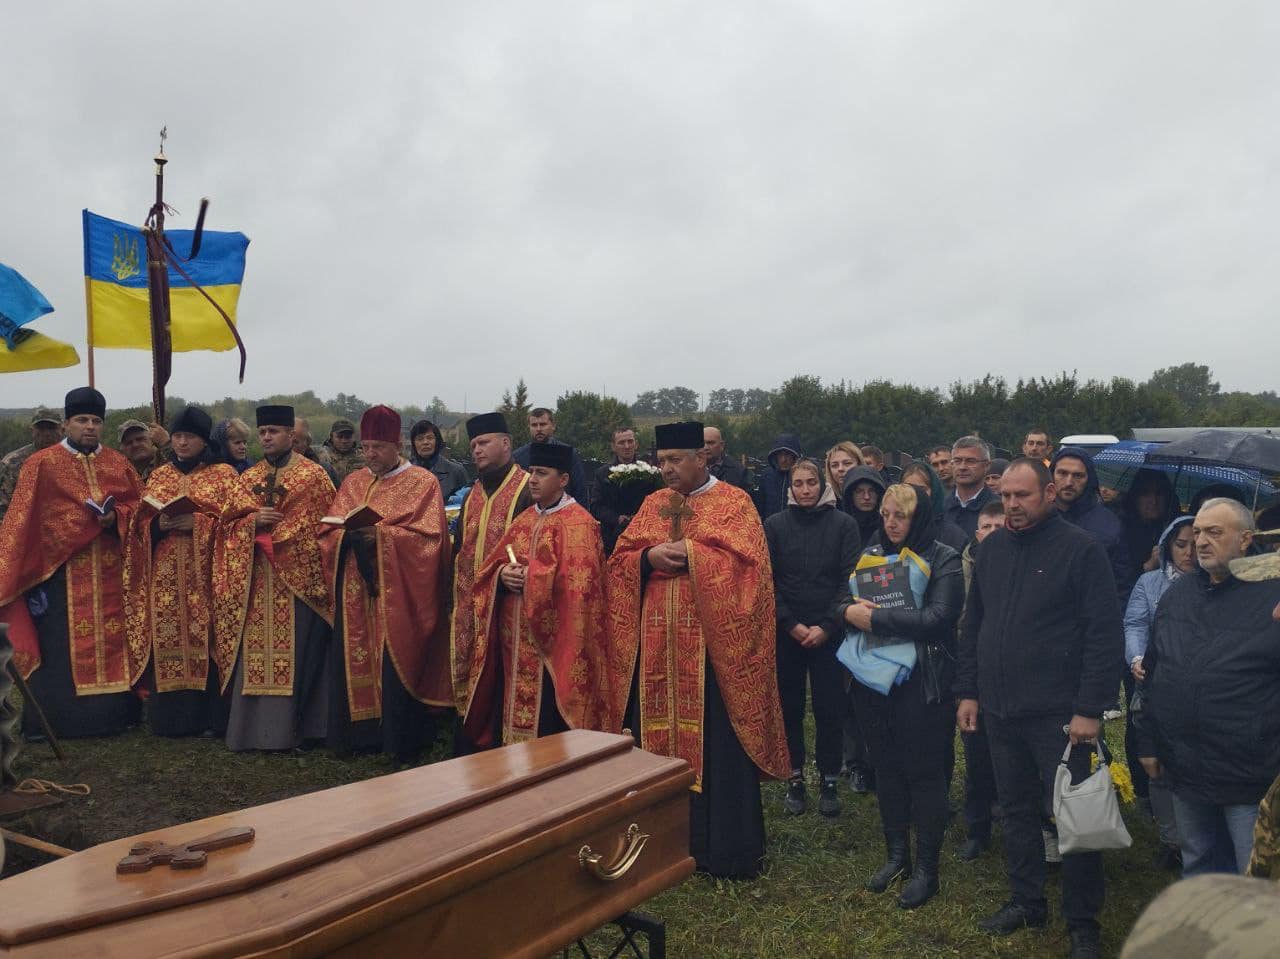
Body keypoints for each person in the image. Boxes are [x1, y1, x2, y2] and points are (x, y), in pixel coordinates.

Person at [607, 421, 789, 879]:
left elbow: (752, 572)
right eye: (661, 460)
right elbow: (619, 563)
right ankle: (656, 847)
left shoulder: (734, 503)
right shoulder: (652, 504)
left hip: (712, 654)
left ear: (701, 459)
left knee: (716, 743)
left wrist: (694, 553)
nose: (665, 469)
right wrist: (646, 559)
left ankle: (721, 852)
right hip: (655, 650)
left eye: (675, 461)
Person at [956, 458, 1123, 958]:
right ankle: (1027, 899)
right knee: (1016, 808)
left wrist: (1090, 709)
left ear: (1049, 493)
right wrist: (969, 691)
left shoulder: (1081, 551)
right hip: (1002, 708)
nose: (1012, 506)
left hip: (1060, 715)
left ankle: (1082, 921)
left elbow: (1103, 634)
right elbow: (974, 625)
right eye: (1005, 496)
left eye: (1022, 496)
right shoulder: (992, 551)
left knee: (1073, 817)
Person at [1136, 499, 1280, 877]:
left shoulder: (1273, 596)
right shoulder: (1179, 594)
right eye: (1197, 532)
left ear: (1246, 539)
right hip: (1186, 766)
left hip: (1249, 771)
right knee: (1198, 860)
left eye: (1214, 532)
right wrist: (1149, 742)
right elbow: (1155, 671)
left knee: (1253, 874)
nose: (1200, 541)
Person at [842, 484, 963, 909]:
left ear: (921, 517)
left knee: (923, 773)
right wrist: (844, 611)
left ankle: (928, 869)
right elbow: (842, 598)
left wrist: (872, 618)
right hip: (874, 681)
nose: (891, 523)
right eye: (887, 514)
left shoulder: (944, 557)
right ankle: (897, 856)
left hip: (923, 682)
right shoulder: (872, 550)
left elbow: (938, 618)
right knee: (887, 768)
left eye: (901, 516)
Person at [0, 387, 143, 738]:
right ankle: (58, 722)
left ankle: (113, 717)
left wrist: (117, 518)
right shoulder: (41, 464)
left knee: (114, 641)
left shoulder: (117, 462)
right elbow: (23, 520)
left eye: (96, 421)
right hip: (57, 573)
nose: (90, 427)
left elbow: (140, 509)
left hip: (109, 569)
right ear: (66, 424)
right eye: (82, 420)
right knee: (58, 647)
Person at [320, 405, 451, 762]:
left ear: (398, 445)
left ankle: (397, 738)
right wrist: (344, 535)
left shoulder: (422, 482)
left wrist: (379, 537)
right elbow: (329, 529)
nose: (370, 454)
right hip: (354, 587)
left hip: (397, 592)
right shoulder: (354, 481)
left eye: (378, 446)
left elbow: (430, 539)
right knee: (353, 655)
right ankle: (358, 735)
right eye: (366, 447)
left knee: (392, 659)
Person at [461, 442, 611, 747]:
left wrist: (531, 578)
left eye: (542, 473)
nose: (532, 479)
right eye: (531, 472)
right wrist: (502, 575)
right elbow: (491, 567)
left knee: (546, 726)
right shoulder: (525, 518)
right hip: (512, 642)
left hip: (551, 646)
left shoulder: (580, 523)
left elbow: (582, 588)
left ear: (564, 479)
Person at [124, 406, 256, 737]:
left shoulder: (224, 475)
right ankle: (171, 720)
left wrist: (197, 522)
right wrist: (158, 524)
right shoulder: (159, 476)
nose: (182, 443)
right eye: (178, 436)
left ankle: (208, 719)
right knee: (168, 634)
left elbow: (240, 522)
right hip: (164, 576)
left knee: (206, 635)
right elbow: (138, 526)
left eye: (190, 437)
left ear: (203, 441)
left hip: (206, 574)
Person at [213, 404, 335, 752]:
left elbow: (325, 529)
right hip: (256, 579)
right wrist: (252, 523)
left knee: (299, 655)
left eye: (274, 432)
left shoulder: (314, 476)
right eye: (262, 432)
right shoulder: (248, 479)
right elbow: (226, 526)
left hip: (297, 583)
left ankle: (300, 730)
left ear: (291, 436)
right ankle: (250, 732)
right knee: (257, 656)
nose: (266, 437)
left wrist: (281, 537)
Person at [765, 459, 861, 818]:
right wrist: (790, 623)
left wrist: (826, 625)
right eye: (799, 484)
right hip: (788, 631)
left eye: (811, 483)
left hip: (829, 631)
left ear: (822, 485)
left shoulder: (843, 524)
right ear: (790, 487)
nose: (805, 490)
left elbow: (848, 578)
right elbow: (768, 579)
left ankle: (830, 777)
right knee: (789, 706)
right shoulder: (775, 525)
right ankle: (794, 777)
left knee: (829, 707)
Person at [449, 412, 532, 745]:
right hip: (470, 603)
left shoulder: (527, 488)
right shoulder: (472, 493)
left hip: (508, 603)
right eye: (473, 445)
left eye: (484, 443)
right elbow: (460, 549)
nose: (477, 451)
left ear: (506, 444)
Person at [1124, 515, 1194, 871]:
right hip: (1154, 683)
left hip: (1197, 691)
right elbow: (1135, 622)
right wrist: (1136, 656)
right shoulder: (1151, 583)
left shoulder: (1220, 584)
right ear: (1168, 545)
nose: (1189, 552)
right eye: (1181, 544)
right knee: (1157, 765)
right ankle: (1170, 839)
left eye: (1195, 544)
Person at [957, 499, 1005, 863]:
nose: (990, 534)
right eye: (985, 527)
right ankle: (977, 827)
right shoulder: (959, 564)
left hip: (1009, 673)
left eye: (997, 527)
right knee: (976, 755)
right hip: (969, 667)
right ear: (976, 533)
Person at [839, 464, 888, 793]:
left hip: (881, 618)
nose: (866, 496)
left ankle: (879, 762)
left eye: (872, 490)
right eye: (859, 491)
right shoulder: (841, 527)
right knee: (850, 697)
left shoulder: (888, 529)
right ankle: (855, 762)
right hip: (846, 617)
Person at [1051, 446, 1132, 600]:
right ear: (1052, 475)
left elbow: (1121, 585)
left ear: (1089, 479)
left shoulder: (1110, 525)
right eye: (1062, 473)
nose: (1069, 482)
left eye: (1078, 476)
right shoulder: (1037, 517)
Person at [591, 427, 651, 553]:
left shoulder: (649, 472)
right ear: (613, 446)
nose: (627, 446)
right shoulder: (602, 474)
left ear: (636, 444)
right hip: (612, 536)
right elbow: (596, 506)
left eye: (630, 441)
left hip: (644, 533)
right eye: (621, 443)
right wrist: (617, 518)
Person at [512, 407, 589, 505]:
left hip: (564, 512)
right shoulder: (518, 456)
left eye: (543, 424)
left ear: (553, 426)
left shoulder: (568, 453)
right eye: (534, 425)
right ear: (529, 427)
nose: (539, 429)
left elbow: (580, 489)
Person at [0, 408, 63, 523]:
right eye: (41, 428)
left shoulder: (75, 459)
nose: (47, 433)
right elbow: (3, 505)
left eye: (51, 428)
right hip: (25, 529)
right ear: (32, 430)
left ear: (62, 430)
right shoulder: (13, 462)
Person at [901, 462, 967, 552]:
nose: (914, 494)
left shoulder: (953, 536)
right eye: (908, 488)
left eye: (922, 489)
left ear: (934, 491)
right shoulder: (889, 532)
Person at [944, 436, 995, 540]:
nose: (962, 467)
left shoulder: (998, 507)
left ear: (987, 465)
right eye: (957, 461)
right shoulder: (941, 507)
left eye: (970, 461)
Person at [408, 419, 469, 500]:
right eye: (420, 439)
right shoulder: (405, 474)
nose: (425, 442)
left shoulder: (456, 472)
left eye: (430, 438)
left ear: (437, 441)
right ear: (414, 444)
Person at [758, 433, 801, 519]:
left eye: (787, 455)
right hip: (770, 528)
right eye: (780, 455)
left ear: (794, 456)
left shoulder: (802, 476)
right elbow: (760, 506)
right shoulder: (766, 476)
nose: (783, 459)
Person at [292, 416, 338, 485]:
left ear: (306, 444)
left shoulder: (323, 470)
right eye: (285, 441)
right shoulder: (272, 469)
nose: (288, 446)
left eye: (295, 442)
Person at [319, 418, 366, 484]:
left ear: (354, 437)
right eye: (340, 437)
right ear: (331, 437)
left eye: (348, 437)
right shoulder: (321, 457)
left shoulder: (365, 457)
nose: (344, 441)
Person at [704, 425, 751, 490]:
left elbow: (746, 498)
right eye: (702, 443)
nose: (705, 447)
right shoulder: (689, 469)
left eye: (710, 443)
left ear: (722, 445)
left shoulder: (738, 471)